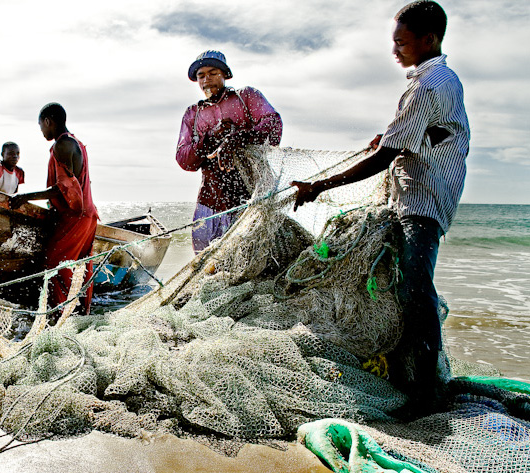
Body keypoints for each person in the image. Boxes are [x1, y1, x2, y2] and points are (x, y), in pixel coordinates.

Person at [291, 1, 469, 413]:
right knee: (411, 285)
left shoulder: (428, 85)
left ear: (429, 40)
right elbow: (435, 131)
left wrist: (319, 186)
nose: (395, 51)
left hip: (424, 197)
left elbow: (385, 158)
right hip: (421, 192)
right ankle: (414, 375)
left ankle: (427, 391)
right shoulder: (438, 79)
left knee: (415, 289)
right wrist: (395, 136)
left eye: (402, 43)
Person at [176, 50, 282, 254]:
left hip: (251, 200)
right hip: (209, 205)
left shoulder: (246, 97)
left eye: (213, 73)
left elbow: (274, 126)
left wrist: (237, 138)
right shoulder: (193, 114)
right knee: (207, 266)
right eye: (201, 76)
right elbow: (184, 160)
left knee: (252, 260)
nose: (207, 80)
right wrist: (208, 138)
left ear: (225, 74)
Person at [8, 103, 98, 314]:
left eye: (41, 126)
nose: (41, 131)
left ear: (48, 121)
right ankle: (81, 313)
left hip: (74, 216)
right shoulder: (76, 142)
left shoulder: (63, 144)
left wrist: (26, 197)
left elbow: (63, 189)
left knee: (54, 264)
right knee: (80, 266)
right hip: (87, 215)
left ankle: (62, 314)